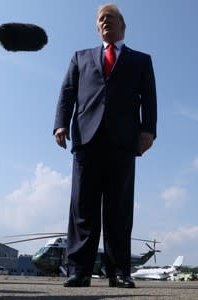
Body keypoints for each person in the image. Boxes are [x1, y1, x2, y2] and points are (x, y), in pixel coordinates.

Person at [53, 3, 157, 289]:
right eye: (100, 19)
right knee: (82, 208)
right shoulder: (80, 57)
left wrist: (148, 131)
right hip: (86, 139)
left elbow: (149, 98)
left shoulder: (141, 60)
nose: (104, 22)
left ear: (123, 25)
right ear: (97, 27)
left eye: (110, 17)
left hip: (123, 141)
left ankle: (119, 271)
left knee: (119, 209)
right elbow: (67, 93)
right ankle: (79, 271)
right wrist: (60, 124)